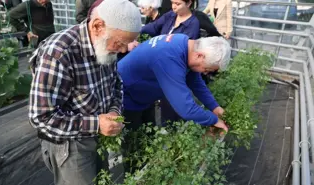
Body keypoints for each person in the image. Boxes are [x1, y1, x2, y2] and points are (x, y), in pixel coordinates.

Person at [28, 0, 142, 184]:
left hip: (97, 137)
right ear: (98, 26)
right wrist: (96, 124)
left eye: (127, 44)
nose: (122, 50)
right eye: (120, 43)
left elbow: (116, 86)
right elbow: (41, 117)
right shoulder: (59, 54)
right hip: (70, 144)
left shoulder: (105, 45)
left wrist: (114, 111)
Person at [118, 33, 231, 172]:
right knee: (133, 147)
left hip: (143, 94)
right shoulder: (169, 57)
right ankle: (135, 177)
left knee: (148, 138)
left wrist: (215, 107)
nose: (206, 73)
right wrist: (213, 120)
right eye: (207, 69)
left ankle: (148, 170)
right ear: (200, 56)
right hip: (125, 96)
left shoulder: (186, 46)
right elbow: (186, 108)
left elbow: (195, 82)